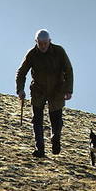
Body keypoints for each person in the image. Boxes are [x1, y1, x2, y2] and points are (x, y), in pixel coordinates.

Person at [15, 29, 74, 157]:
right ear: (36, 42)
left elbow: (68, 70)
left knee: (56, 121)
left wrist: (68, 90)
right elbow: (21, 72)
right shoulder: (31, 54)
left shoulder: (59, 51)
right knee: (37, 121)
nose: (42, 46)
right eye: (40, 43)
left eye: (45, 43)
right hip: (38, 91)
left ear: (50, 41)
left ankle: (55, 140)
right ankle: (40, 149)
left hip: (57, 91)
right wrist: (20, 89)